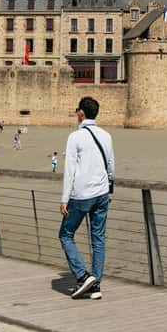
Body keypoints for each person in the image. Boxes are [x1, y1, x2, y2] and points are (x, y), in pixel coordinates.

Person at [59, 96, 114, 301]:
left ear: (81, 113)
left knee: (65, 234)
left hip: (81, 194)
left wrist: (64, 198)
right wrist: (109, 189)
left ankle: (83, 276)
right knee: (98, 239)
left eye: (77, 110)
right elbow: (111, 166)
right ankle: (96, 285)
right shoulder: (106, 136)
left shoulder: (75, 137)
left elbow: (70, 170)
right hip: (102, 193)